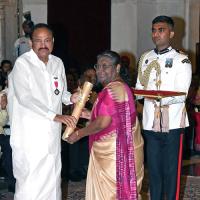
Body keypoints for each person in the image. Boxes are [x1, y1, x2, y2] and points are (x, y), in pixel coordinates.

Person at [8, 23, 79, 200]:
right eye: (38, 41)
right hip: (29, 137)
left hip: (51, 135)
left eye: (47, 40)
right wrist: (55, 116)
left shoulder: (57, 63)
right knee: (29, 184)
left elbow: (61, 93)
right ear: (31, 43)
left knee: (52, 181)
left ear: (53, 42)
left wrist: (72, 98)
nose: (43, 44)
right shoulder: (23, 64)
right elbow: (25, 98)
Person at [67, 50, 144, 200]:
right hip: (126, 150)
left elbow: (103, 122)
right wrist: (89, 114)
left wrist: (79, 134)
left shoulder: (110, 90)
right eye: (98, 66)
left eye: (105, 66)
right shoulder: (123, 88)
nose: (100, 70)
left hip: (112, 157)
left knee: (108, 195)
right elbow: (116, 118)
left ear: (117, 68)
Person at [135, 16, 192, 200]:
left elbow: (181, 93)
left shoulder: (181, 60)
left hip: (173, 124)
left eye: (161, 29)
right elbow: (139, 89)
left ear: (171, 33)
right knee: (155, 171)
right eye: (154, 30)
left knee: (171, 171)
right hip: (151, 122)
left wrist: (156, 97)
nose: (156, 33)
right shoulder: (145, 58)